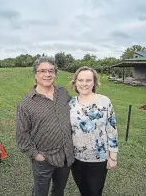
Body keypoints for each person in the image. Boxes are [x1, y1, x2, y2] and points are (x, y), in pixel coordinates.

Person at [16, 57, 74, 196]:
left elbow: (76, 111)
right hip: (44, 159)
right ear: (35, 75)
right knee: (40, 192)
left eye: (51, 71)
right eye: (42, 71)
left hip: (66, 155)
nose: (47, 75)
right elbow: (22, 135)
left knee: (59, 190)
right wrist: (37, 156)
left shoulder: (63, 92)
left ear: (55, 74)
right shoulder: (26, 103)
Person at [69, 66, 119, 196]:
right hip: (76, 159)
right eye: (80, 80)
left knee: (94, 192)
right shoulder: (70, 104)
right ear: (75, 82)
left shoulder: (104, 101)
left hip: (98, 159)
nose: (84, 84)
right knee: (83, 191)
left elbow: (111, 129)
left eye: (88, 80)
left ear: (94, 82)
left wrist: (113, 157)